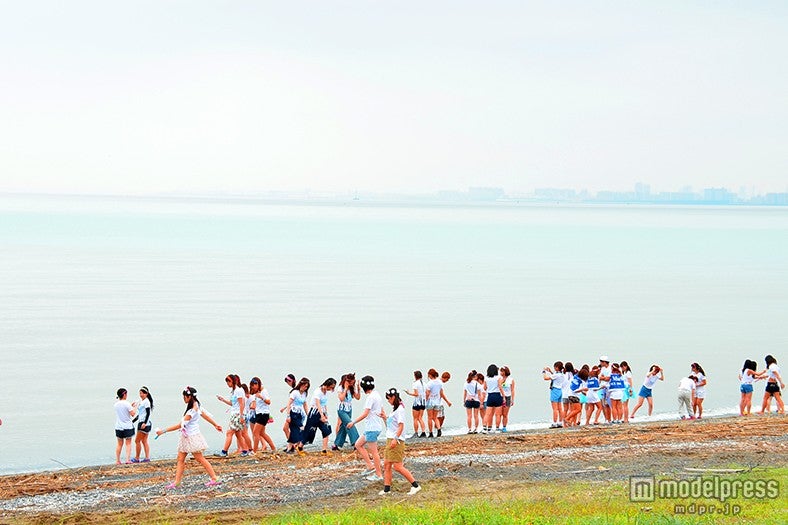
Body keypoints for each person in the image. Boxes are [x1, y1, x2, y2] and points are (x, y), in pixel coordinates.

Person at [156, 386, 222, 489]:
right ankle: (177, 482)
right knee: (180, 458)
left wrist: (163, 431)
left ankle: (214, 478)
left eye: (184, 397)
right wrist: (215, 425)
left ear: (188, 397)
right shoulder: (196, 405)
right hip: (187, 437)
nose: (184, 399)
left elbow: (179, 425)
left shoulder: (191, 411)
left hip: (191, 437)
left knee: (199, 458)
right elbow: (205, 415)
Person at [378, 388, 422, 496]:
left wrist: (395, 439)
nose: (388, 401)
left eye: (389, 399)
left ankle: (415, 486)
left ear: (393, 397)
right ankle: (387, 489)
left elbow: (401, 426)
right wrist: (385, 417)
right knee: (387, 464)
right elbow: (392, 424)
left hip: (396, 441)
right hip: (390, 438)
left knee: (397, 466)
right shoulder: (395, 409)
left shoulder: (400, 410)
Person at [347, 375, 384, 481]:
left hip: (372, 428)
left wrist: (353, 422)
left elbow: (365, 414)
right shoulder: (377, 394)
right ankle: (369, 466)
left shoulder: (371, 397)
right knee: (358, 444)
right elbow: (381, 410)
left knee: (374, 452)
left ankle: (378, 474)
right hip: (373, 427)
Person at [216, 374, 250, 457]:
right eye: (227, 382)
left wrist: (242, 416)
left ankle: (224, 452)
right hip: (235, 413)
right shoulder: (234, 391)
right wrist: (223, 400)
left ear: (234, 381)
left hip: (238, 414)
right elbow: (232, 404)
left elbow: (242, 404)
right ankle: (245, 451)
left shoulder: (239, 390)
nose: (228, 383)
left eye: (229, 381)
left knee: (229, 433)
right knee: (238, 434)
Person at [304, 378, 336, 455]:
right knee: (309, 431)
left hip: (322, 412)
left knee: (326, 430)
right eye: (331, 387)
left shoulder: (326, 392)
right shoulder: (318, 391)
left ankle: (324, 450)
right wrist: (321, 416)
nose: (332, 389)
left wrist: (326, 414)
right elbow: (318, 404)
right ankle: (299, 447)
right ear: (327, 385)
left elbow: (324, 404)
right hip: (314, 413)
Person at [333, 373, 360, 450]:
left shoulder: (352, 388)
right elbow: (341, 398)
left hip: (349, 409)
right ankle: (356, 442)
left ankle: (336, 444)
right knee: (350, 424)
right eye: (351, 382)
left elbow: (357, 397)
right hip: (342, 410)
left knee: (343, 427)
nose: (352, 384)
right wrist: (345, 388)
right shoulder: (340, 388)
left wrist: (358, 388)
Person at [249, 377, 276, 453]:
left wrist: (261, 397)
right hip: (259, 414)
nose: (253, 388)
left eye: (253, 386)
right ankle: (273, 448)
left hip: (263, 414)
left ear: (257, 384)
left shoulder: (264, 391)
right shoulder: (257, 392)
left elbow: (268, 402)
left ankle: (254, 451)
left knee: (255, 432)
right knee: (262, 433)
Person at [285, 377, 311, 455]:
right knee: (301, 429)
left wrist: (308, 414)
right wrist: (288, 416)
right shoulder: (295, 392)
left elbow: (305, 404)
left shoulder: (304, 393)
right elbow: (289, 404)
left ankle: (290, 448)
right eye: (305, 386)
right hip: (293, 413)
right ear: (301, 384)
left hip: (300, 414)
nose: (305, 388)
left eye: (307, 387)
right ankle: (299, 446)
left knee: (293, 431)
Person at [114, 388, 137, 465]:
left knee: (119, 444)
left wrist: (130, 406)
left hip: (118, 426)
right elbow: (133, 414)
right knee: (128, 443)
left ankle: (117, 460)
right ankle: (127, 459)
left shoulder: (116, 404)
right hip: (127, 426)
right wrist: (135, 407)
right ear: (124, 394)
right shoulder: (127, 403)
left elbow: (123, 411)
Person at [131, 386, 153, 463]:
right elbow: (140, 414)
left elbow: (148, 413)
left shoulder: (146, 402)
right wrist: (132, 421)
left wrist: (144, 423)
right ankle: (147, 458)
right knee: (144, 441)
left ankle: (137, 458)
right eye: (140, 393)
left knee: (137, 441)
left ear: (146, 394)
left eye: (142, 393)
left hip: (144, 423)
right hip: (145, 422)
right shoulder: (143, 402)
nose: (141, 395)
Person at [424, 369, 449, 437]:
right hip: (437, 401)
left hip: (430, 401)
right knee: (435, 417)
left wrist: (425, 401)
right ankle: (439, 430)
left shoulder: (429, 383)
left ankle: (431, 432)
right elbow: (441, 392)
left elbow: (427, 394)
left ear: (430, 375)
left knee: (429, 418)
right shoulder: (440, 382)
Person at [404, 371, 427, 438]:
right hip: (423, 402)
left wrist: (408, 393)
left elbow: (416, 394)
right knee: (420, 418)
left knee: (415, 418)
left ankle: (416, 433)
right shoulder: (424, 383)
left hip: (417, 402)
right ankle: (423, 432)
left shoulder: (415, 383)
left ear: (415, 376)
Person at [482, 364, 504, 433]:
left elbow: (484, 388)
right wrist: (503, 396)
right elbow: (500, 387)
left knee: (487, 414)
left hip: (490, 396)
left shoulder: (486, 378)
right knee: (498, 414)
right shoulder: (498, 378)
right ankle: (497, 429)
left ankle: (484, 428)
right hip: (497, 395)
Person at [542, 362, 565, 428]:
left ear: (557, 367)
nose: (554, 368)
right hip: (560, 390)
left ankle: (554, 423)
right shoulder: (561, 374)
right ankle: (560, 422)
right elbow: (554, 376)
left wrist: (544, 372)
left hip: (555, 390)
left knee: (555, 409)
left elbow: (545, 378)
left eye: (555, 367)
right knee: (560, 408)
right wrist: (550, 371)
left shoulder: (557, 375)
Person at [500, 366, 515, 432]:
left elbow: (512, 390)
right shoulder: (499, 379)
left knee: (505, 414)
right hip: (500, 397)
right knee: (499, 413)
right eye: (500, 371)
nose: (501, 372)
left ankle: (504, 427)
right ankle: (498, 426)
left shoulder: (511, 380)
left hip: (508, 397)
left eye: (502, 371)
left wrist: (512, 399)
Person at [597, 356, 612, 423]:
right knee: (605, 404)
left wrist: (603, 378)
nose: (600, 363)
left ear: (604, 362)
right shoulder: (603, 368)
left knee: (609, 404)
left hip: (609, 388)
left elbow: (608, 378)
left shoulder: (610, 368)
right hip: (603, 387)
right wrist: (603, 378)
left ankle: (610, 419)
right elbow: (600, 377)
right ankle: (607, 419)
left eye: (601, 362)